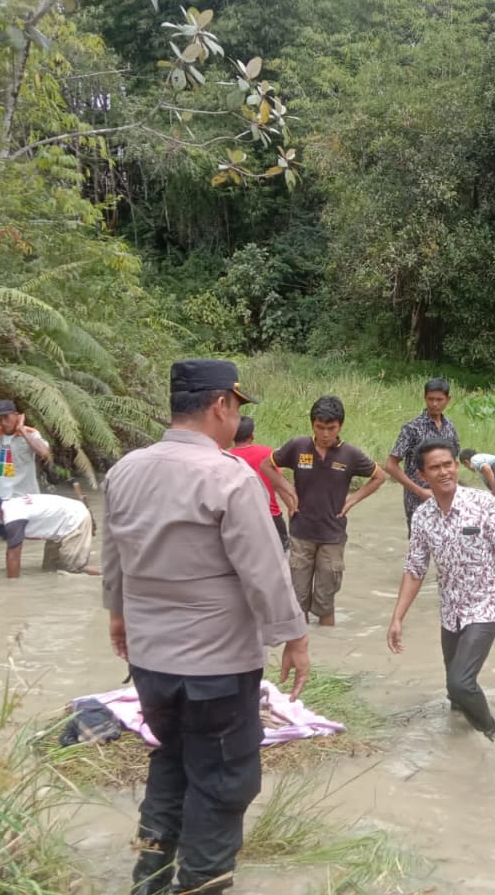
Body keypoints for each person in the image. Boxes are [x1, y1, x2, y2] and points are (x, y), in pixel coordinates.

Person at [102, 359, 311, 895]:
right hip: (216, 667)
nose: (236, 418)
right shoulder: (228, 475)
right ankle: (200, 885)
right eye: (236, 407)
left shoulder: (125, 469)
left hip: (150, 663)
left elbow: (114, 559)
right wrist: (295, 637)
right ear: (221, 404)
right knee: (221, 781)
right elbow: (263, 570)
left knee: (171, 761)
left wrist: (119, 618)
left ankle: (148, 879)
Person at [386, 439, 495, 738]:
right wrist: (397, 617)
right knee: (454, 694)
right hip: (451, 609)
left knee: (461, 683)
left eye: (448, 464)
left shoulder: (484, 504)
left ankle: (494, 735)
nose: (444, 472)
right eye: (435, 467)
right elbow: (415, 570)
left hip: (486, 604)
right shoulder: (423, 517)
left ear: (456, 465)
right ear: (422, 475)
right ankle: (458, 747)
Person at [270, 395, 386, 627]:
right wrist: (288, 492)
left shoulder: (350, 455)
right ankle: (304, 649)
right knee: (297, 599)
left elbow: (380, 476)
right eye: (319, 427)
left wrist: (353, 499)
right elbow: (267, 465)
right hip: (301, 533)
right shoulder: (298, 446)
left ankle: (328, 644)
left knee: (326, 602)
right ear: (312, 424)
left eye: (331, 428)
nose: (325, 434)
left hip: (332, 536)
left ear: (340, 426)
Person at [0, 487, 99, 577]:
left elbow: (14, 557)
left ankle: (110, 573)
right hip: (60, 526)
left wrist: (10, 590)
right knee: (50, 570)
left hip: (76, 520)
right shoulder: (8, 508)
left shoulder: (13, 518)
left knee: (72, 571)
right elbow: (10, 552)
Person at [385, 378, 460, 532]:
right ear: (424, 397)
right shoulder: (412, 428)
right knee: (419, 550)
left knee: (449, 545)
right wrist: (419, 491)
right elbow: (391, 465)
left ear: (448, 400)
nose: (434, 404)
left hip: (447, 499)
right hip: (418, 500)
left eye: (439, 399)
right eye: (430, 399)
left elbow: (454, 460)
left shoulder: (450, 427)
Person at [0, 399, 51, 536]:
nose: (3, 422)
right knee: (0, 538)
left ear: (16, 415)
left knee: (22, 540)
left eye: (6, 417)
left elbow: (44, 453)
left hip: (23, 500)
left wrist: (22, 430)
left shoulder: (31, 434)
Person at [230, 416, 297, 552]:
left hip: (240, 519)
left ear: (232, 436)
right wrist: (292, 507)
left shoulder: (227, 457)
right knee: (281, 558)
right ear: (252, 436)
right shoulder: (266, 453)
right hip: (271, 517)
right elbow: (278, 484)